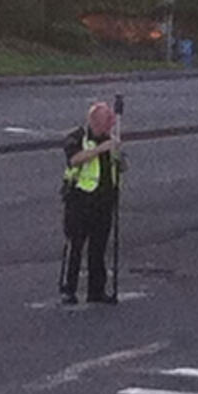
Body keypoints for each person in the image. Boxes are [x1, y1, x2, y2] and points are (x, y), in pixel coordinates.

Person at [60, 101, 122, 305]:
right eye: (107, 122)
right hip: (80, 200)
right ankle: (69, 289)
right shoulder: (78, 137)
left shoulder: (110, 140)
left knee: (99, 248)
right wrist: (100, 149)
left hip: (104, 201)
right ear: (96, 121)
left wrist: (118, 156)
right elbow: (74, 159)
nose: (110, 126)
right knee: (75, 246)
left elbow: (120, 165)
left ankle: (97, 290)